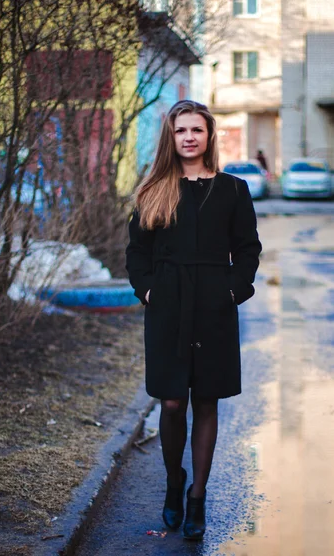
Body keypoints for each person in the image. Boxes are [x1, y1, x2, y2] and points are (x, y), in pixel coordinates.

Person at [125, 100, 262, 541]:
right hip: (167, 305)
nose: (189, 137)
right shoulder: (153, 190)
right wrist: (147, 291)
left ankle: (197, 496)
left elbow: (247, 249)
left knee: (206, 400)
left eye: (196, 130)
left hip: (214, 306)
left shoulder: (232, 189)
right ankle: (173, 483)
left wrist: (233, 290)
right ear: (171, 136)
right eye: (181, 130)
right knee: (170, 402)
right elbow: (136, 253)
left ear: (208, 136)